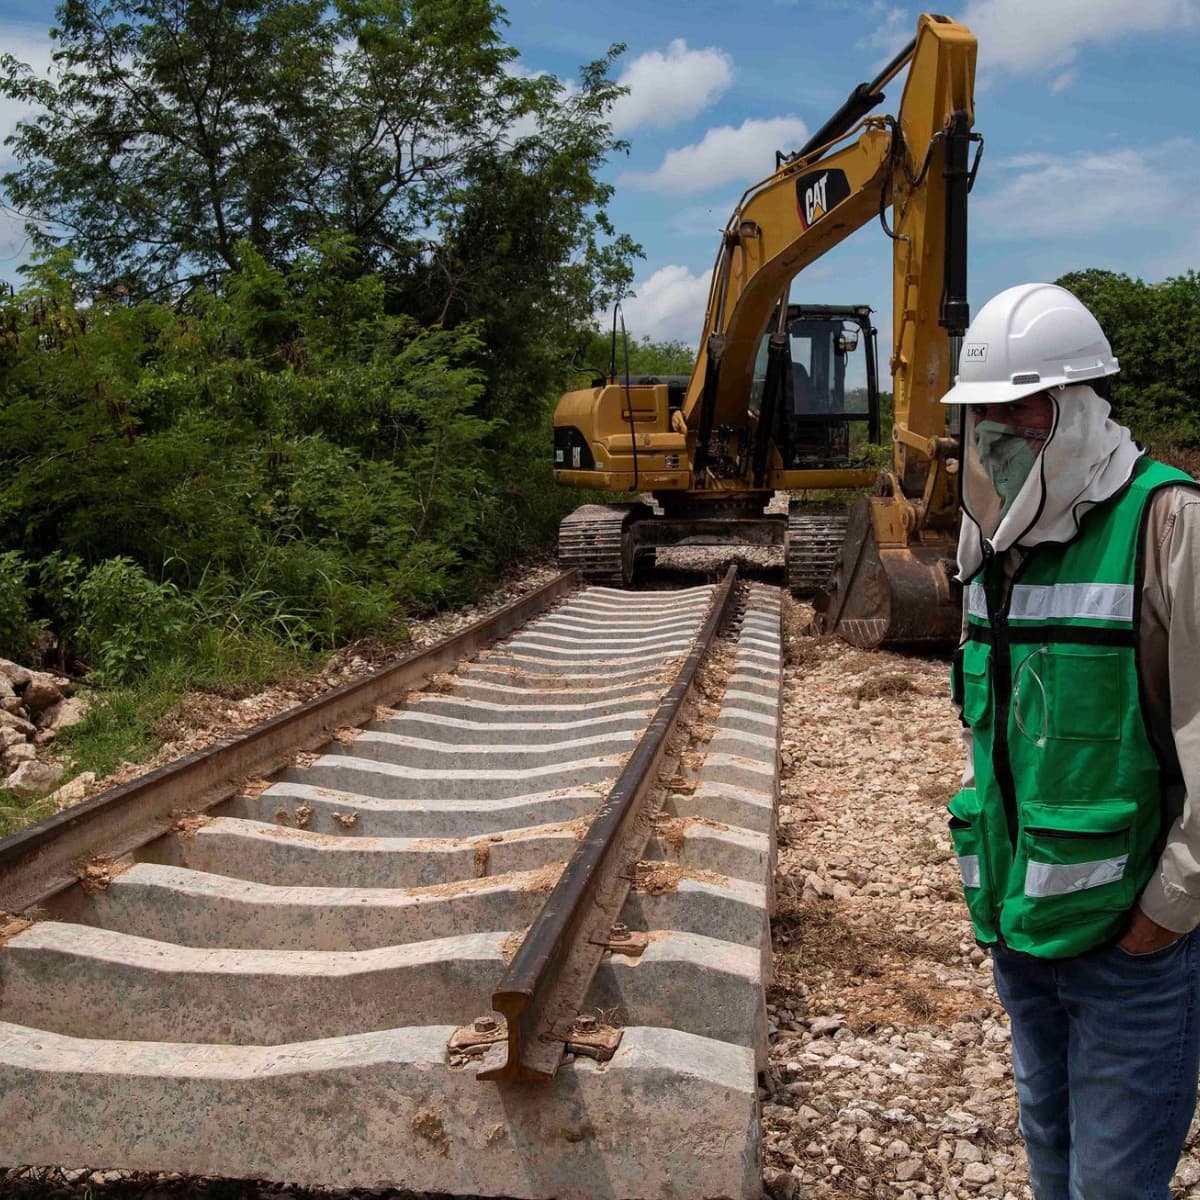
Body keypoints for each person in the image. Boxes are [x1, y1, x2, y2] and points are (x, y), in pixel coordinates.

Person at [941, 282, 1200, 1199]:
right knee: (1052, 1158)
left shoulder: (1166, 524)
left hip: (1130, 953)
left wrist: (1160, 918)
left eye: (1021, 414)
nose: (999, 437)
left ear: (1076, 406)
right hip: (1025, 937)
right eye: (984, 418)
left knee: (1114, 1187)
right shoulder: (990, 547)